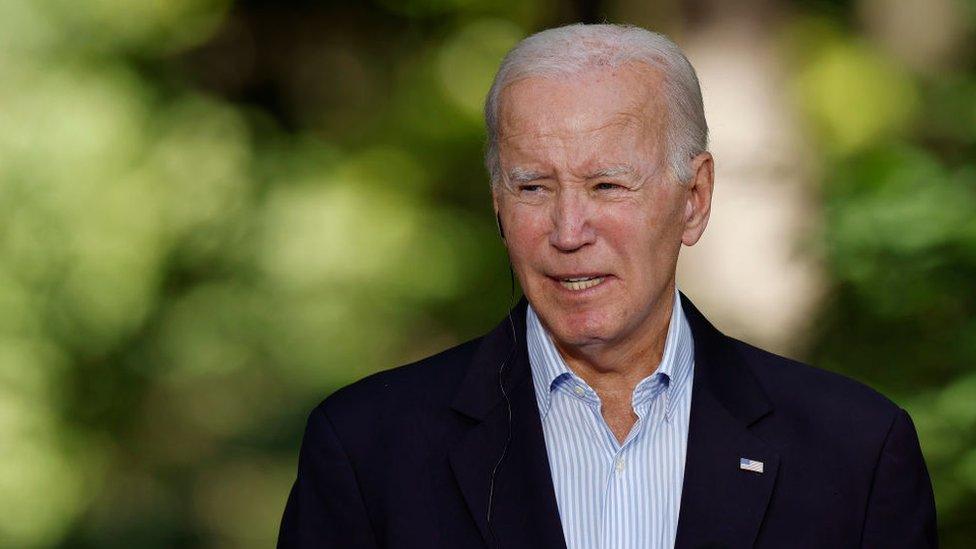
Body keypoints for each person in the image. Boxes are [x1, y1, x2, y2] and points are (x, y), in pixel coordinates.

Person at [277, 23, 937, 548]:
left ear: (695, 199)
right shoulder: (368, 450)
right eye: (533, 186)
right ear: (498, 204)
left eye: (607, 185)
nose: (568, 230)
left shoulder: (856, 452)